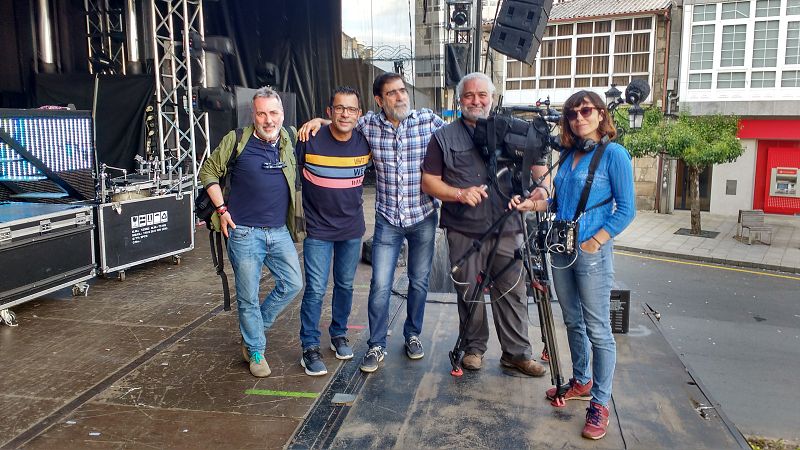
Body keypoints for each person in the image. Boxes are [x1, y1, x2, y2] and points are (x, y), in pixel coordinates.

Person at [299, 73, 444, 373]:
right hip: (388, 219)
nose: (401, 97)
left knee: (418, 281)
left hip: (423, 217)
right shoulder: (368, 126)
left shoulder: (428, 121)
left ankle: (412, 334)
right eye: (392, 93)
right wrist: (320, 121)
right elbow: (343, 120)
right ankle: (376, 344)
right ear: (379, 101)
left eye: (402, 91)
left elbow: (458, 141)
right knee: (378, 284)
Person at [511, 90, 635, 440]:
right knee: (572, 320)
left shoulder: (615, 156)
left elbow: (626, 209)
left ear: (600, 115)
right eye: (572, 114)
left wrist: (595, 240)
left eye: (585, 111)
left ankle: (600, 402)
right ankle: (581, 380)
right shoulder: (567, 155)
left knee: (598, 329)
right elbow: (558, 200)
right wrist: (534, 204)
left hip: (590, 252)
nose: (579, 118)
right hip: (561, 248)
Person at [421, 72, 548, 377]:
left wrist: (536, 196)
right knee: (468, 292)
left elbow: (542, 179)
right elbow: (429, 182)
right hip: (464, 231)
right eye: (468, 96)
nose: (475, 101)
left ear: (493, 98)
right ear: (459, 100)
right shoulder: (443, 137)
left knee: (512, 292)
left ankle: (516, 353)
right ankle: (473, 348)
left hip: (508, 228)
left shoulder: (519, 132)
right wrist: (459, 194)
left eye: (482, 95)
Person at [199, 87, 303, 378]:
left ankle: (254, 331)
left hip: (279, 231)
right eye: (261, 113)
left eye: (273, 113)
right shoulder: (237, 140)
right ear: (253, 115)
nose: (268, 120)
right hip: (243, 233)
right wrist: (222, 210)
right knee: (247, 297)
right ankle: (256, 350)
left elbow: (325, 131)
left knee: (293, 283)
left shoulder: (290, 138)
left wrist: (318, 122)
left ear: (282, 114)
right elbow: (208, 172)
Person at [296, 86, 371, 376]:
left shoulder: (365, 143)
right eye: (339, 108)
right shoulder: (309, 138)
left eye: (351, 109)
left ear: (359, 114)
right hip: (318, 230)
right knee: (315, 289)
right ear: (329, 111)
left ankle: (338, 334)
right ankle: (310, 347)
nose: (345, 114)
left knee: (345, 286)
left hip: (351, 229)